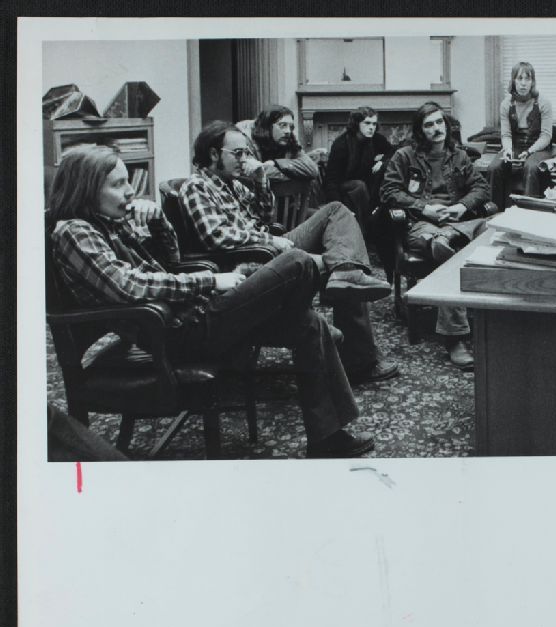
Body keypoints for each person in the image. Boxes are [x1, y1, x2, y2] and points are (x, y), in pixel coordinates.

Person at [48, 146, 375, 458]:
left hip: (192, 316)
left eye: (127, 182)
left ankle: (326, 437)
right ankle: (334, 279)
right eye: (118, 184)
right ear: (86, 189)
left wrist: (158, 220)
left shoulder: (109, 223)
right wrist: (211, 281)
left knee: (308, 323)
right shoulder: (75, 232)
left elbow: (172, 261)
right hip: (176, 333)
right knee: (298, 262)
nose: (130, 191)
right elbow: (129, 287)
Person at [178, 121, 398, 386]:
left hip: (268, 246)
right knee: (340, 262)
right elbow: (216, 237)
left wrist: (260, 178)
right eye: (237, 153)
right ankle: (358, 360)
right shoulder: (197, 187)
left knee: (336, 212)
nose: (244, 159)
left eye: (246, 152)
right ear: (213, 153)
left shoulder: (231, 184)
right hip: (252, 260)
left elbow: (265, 215)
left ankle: (346, 275)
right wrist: (269, 239)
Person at [381, 101, 491, 370]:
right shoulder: (404, 156)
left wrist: (461, 206)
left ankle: (446, 240)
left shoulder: (459, 156)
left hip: (457, 222)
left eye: (439, 122)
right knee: (448, 253)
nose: (436, 128)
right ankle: (455, 339)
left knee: (494, 225)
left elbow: (481, 188)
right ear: (421, 130)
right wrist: (425, 208)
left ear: (446, 125)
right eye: (429, 125)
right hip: (421, 224)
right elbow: (389, 192)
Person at [487, 61, 554, 208]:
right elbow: (506, 135)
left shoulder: (544, 103)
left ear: (533, 82)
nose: (523, 83)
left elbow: (546, 136)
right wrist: (508, 150)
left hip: (539, 149)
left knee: (531, 167)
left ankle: (528, 213)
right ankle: (495, 212)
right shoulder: (506, 104)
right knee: (494, 168)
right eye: (519, 78)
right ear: (513, 81)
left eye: (527, 78)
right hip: (515, 147)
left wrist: (530, 151)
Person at [324, 106, 396, 234]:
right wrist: (339, 207)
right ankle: (366, 230)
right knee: (359, 186)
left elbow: (393, 151)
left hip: (367, 187)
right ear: (357, 123)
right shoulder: (341, 144)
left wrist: (382, 161)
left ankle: (381, 228)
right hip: (344, 188)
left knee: (381, 176)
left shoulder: (376, 139)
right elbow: (331, 181)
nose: (371, 127)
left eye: (374, 124)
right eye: (367, 123)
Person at [249, 104, 320, 182]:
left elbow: (312, 170)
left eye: (291, 126)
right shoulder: (249, 141)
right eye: (282, 125)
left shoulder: (290, 140)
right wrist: (297, 173)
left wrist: (276, 163)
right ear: (267, 126)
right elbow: (254, 174)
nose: (288, 131)